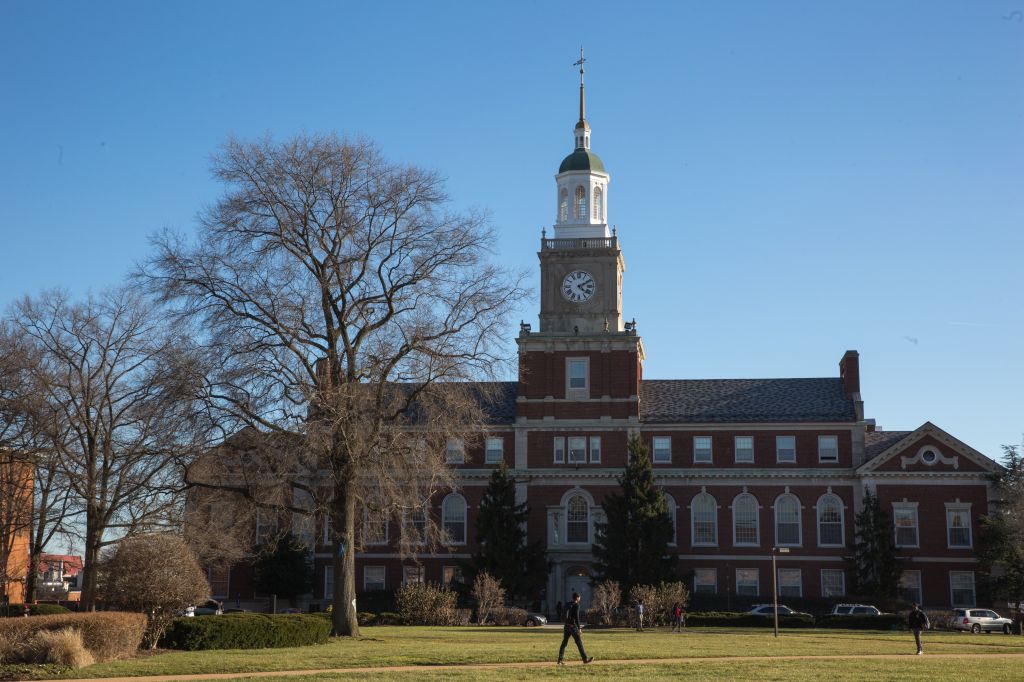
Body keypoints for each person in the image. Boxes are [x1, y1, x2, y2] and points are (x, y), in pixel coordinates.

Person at [557, 592, 594, 665]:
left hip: (566, 626)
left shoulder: (568, 604)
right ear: (577, 598)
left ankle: (560, 660)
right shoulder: (576, 605)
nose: (580, 598)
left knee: (564, 643)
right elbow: (577, 617)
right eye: (579, 597)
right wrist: (579, 628)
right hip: (573, 627)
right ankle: (585, 659)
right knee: (579, 643)